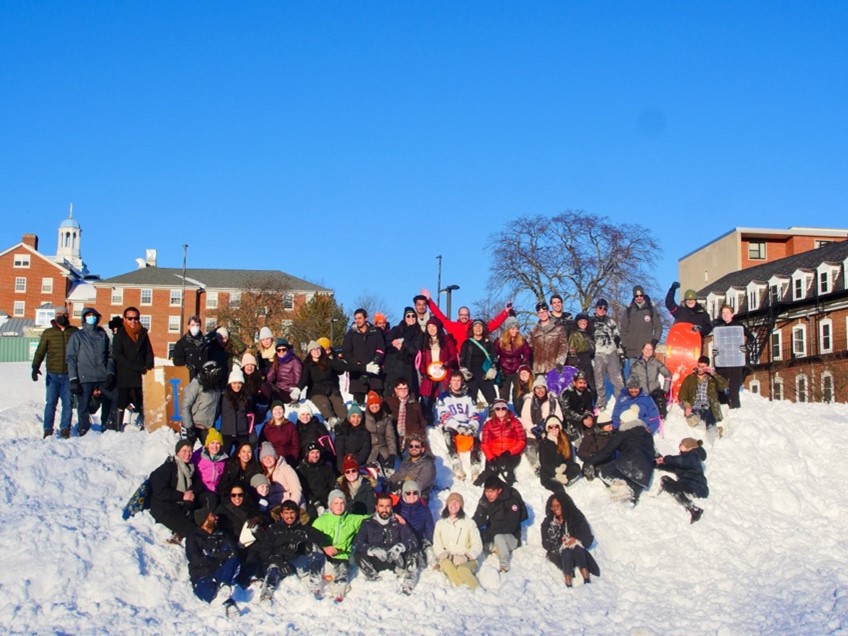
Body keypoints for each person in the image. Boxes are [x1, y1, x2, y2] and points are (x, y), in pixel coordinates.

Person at [257, 499, 333, 601]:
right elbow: (264, 549)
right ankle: (266, 596)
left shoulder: (303, 529)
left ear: (297, 513)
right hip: (279, 563)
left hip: (299, 563)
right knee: (272, 570)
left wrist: (324, 545)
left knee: (317, 555)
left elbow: (322, 537)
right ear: (281, 514)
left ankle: (314, 588)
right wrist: (276, 559)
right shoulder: (273, 529)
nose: (289, 516)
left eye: (292, 513)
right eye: (286, 513)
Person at [584, 407, 656, 504]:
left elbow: (607, 451)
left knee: (604, 472)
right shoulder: (647, 433)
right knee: (631, 499)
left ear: (626, 422)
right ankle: (629, 494)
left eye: (621, 421)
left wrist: (590, 461)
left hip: (628, 463)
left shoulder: (623, 434)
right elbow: (653, 452)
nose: (620, 423)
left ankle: (622, 486)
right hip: (646, 472)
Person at [353, 493, 420, 594]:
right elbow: (358, 542)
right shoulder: (367, 523)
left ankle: (409, 578)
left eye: (387, 506)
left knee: (414, 551)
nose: (384, 509)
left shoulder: (397, 522)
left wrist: (400, 547)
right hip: (377, 560)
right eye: (381, 506)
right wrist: (371, 550)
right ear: (376, 507)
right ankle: (373, 576)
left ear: (391, 507)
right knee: (357, 554)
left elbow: (413, 540)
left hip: (395, 560)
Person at [311, 489, 369, 601]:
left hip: (341, 556)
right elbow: (312, 537)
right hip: (323, 556)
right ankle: (314, 588)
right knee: (316, 562)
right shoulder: (321, 521)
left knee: (343, 571)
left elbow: (371, 518)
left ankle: (338, 590)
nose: (339, 506)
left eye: (342, 503)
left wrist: (394, 515)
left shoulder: (352, 519)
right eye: (336, 503)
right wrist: (324, 547)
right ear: (330, 505)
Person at [66, 307, 114, 435]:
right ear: (84, 318)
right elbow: (71, 358)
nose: (91, 317)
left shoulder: (102, 335)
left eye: (94, 315)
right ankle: (84, 427)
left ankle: (106, 424)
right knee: (83, 404)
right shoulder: (77, 336)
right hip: (84, 377)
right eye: (88, 315)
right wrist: (73, 378)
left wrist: (110, 372)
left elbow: (110, 356)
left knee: (110, 400)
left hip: (102, 376)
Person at [32, 305, 78, 439]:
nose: (61, 316)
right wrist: (35, 367)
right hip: (52, 374)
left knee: (67, 403)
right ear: (55, 316)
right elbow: (40, 351)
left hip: (69, 374)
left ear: (67, 316)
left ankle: (65, 429)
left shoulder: (74, 332)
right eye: (58, 313)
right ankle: (48, 429)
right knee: (51, 402)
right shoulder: (48, 332)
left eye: (63, 314)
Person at [185, 508, 240, 615]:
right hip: (202, 574)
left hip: (221, 572)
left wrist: (213, 556)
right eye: (212, 516)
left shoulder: (222, 535)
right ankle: (228, 604)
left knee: (234, 560)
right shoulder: (193, 537)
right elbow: (195, 559)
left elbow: (233, 552)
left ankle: (224, 586)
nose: (216, 517)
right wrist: (217, 559)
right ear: (204, 519)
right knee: (204, 591)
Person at [149, 439, 204, 544]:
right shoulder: (168, 467)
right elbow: (159, 490)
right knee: (192, 530)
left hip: (180, 505)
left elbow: (199, 483)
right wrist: (182, 495)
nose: (187, 454)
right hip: (164, 507)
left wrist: (190, 491)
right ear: (177, 452)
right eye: (184, 451)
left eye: (190, 451)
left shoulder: (190, 468)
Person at [541, 493, 600, 588]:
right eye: (553, 506)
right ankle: (568, 583)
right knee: (567, 552)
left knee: (577, 548)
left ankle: (586, 579)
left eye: (558, 505)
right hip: (559, 553)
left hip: (577, 550)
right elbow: (545, 543)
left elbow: (587, 536)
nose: (556, 508)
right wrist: (559, 540)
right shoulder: (548, 522)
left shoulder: (575, 517)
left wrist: (575, 540)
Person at [472, 475, 528, 573]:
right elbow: (479, 517)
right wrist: (470, 527)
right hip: (494, 530)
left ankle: (504, 565)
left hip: (511, 537)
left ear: (499, 490)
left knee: (498, 538)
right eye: (487, 491)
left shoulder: (511, 499)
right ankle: (492, 547)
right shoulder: (486, 498)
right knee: (476, 533)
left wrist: (491, 533)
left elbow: (512, 526)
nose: (489, 494)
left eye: (492, 491)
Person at [422, 289, 511, 350]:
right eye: (462, 314)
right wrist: (429, 301)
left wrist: (505, 312)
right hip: (458, 360)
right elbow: (439, 315)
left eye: (466, 315)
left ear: (469, 315)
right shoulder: (452, 326)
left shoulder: (475, 327)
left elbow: (493, 325)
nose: (464, 317)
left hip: (473, 361)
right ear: (458, 316)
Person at [215, 482, 266, 586]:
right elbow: (219, 530)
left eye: (240, 495)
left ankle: (258, 575)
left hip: (250, 542)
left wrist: (257, 518)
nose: (237, 498)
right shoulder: (222, 510)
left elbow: (263, 517)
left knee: (258, 548)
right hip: (233, 544)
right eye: (233, 495)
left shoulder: (249, 506)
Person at [111, 306, 154, 429]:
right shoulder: (120, 334)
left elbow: (148, 351)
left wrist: (149, 364)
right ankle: (117, 426)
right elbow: (118, 355)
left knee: (141, 401)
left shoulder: (143, 333)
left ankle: (146, 425)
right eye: (130, 318)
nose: (133, 321)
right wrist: (135, 366)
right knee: (122, 401)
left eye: (136, 318)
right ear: (125, 319)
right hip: (125, 374)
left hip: (140, 375)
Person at [435, 371, 483, 481]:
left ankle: (475, 467)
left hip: (467, 424)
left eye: (458, 380)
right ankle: (456, 462)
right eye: (454, 380)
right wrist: (457, 426)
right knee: (447, 434)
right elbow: (443, 416)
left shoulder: (469, 396)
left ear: (462, 382)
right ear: (450, 382)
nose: (456, 383)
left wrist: (472, 426)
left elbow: (475, 413)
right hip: (452, 425)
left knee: (476, 438)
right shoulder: (443, 397)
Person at [432, 492, 483, 589]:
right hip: (449, 559)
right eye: (451, 502)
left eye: (457, 502)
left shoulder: (469, 523)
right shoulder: (440, 524)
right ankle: (462, 587)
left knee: (462, 570)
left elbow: (477, 545)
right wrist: (444, 554)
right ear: (447, 505)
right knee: (446, 563)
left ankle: (476, 590)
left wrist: (466, 557)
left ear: (461, 505)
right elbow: (437, 545)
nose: (454, 505)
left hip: (467, 559)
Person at [712, 304, 754, 410]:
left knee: (734, 388)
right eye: (723, 313)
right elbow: (716, 343)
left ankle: (735, 409)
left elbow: (751, 338)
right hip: (722, 361)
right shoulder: (718, 327)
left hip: (735, 360)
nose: (725, 315)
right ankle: (722, 408)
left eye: (727, 313)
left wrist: (746, 346)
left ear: (732, 314)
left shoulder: (738, 326)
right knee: (720, 385)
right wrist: (715, 351)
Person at [656, 438, 708, 523]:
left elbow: (679, 461)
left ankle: (693, 509)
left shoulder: (693, 457)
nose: (680, 444)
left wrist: (666, 459)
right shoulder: (686, 458)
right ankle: (692, 507)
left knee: (667, 481)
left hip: (697, 487)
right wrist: (658, 464)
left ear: (690, 447)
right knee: (666, 481)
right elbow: (675, 466)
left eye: (682, 444)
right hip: (689, 485)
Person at [342, 308, 386, 404]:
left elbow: (381, 349)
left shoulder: (376, 332)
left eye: (360, 318)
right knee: (358, 405)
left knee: (377, 403)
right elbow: (346, 352)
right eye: (356, 318)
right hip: (357, 374)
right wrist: (357, 364)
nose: (357, 321)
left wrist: (374, 363)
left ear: (366, 318)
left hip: (375, 372)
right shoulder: (350, 334)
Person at [297, 340, 347, 425]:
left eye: (318, 349)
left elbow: (345, 366)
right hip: (316, 392)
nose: (316, 351)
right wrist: (298, 389)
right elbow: (304, 379)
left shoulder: (327, 361)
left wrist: (365, 368)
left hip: (331, 390)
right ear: (310, 352)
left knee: (339, 405)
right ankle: (333, 422)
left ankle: (346, 423)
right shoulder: (307, 365)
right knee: (324, 404)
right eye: (313, 350)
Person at [678, 355, 729, 439]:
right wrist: (687, 406)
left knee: (710, 427)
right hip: (695, 407)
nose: (700, 368)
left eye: (703, 366)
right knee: (693, 427)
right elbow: (682, 395)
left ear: (707, 367)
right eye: (699, 366)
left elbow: (724, 386)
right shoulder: (690, 378)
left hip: (709, 407)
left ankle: (714, 437)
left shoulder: (712, 378)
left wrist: (714, 374)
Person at [478, 398, 526, 486]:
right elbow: (484, 444)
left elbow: (521, 441)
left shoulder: (515, 422)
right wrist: (490, 457)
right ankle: (478, 484)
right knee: (491, 470)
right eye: (497, 408)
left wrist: (510, 451)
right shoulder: (488, 424)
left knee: (503, 463)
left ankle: (512, 483)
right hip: (494, 454)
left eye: (503, 408)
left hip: (510, 455)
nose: (500, 410)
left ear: (507, 409)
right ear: (494, 410)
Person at [417, 317, 457, 422]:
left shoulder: (446, 340)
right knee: (427, 396)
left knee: (445, 396)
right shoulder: (424, 341)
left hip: (444, 373)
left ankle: (448, 418)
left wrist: (447, 364)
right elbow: (422, 359)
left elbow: (453, 356)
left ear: (438, 327)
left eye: (433, 326)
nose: (431, 329)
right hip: (429, 373)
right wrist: (423, 372)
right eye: (429, 327)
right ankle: (427, 417)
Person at [519, 375, 563, 470]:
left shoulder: (552, 400)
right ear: (534, 389)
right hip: (533, 433)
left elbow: (559, 417)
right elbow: (525, 417)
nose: (540, 390)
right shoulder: (529, 400)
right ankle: (536, 467)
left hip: (550, 431)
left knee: (553, 447)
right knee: (529, 447)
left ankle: (555, 466)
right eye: (537, 388)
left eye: (542, 387)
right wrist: (532, 428)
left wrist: (548, 426)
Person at [620, 286, 663, 377]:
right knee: (633, 377)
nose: (639, 297)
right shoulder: (629, 309)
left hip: (646, 350)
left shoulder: (650, 309)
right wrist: (624, 344)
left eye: (641, 295)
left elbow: (658, 327)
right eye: (637, 296)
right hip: (632, 349)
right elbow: (623, 329)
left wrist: (654, 342)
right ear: (634, 296)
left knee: (646, 376)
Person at [589, 298, 624, 411]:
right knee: (599, 381)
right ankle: (601, 404)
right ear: (596, 308)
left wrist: (621, 354)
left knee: (617, 380)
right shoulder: (590, 321)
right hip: (598, 353)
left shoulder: (611, 322)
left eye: (605, 308)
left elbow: (617, 338)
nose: (602, 310)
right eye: (600, 308)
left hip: (611, 352)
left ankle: (621, 403)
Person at [180, 361, 223, 446]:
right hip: (193, 424)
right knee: (186, 449)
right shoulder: (196, 384)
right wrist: (188, 427)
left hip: (207, 426)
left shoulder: (216, 386)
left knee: (209, 449)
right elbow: (186, 406)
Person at [383, 307, 424, 397]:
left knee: (407, 394)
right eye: (408, 316)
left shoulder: (419, 333)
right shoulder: (396, 329)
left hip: (407, 367)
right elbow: (387, 342)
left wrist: (403, 343)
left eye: (413, 316)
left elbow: (414, 350)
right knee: (390, 394)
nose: (411, 318)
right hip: (392, 366)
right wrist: (395, 345)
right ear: (404, 317)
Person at [459, 319, 498, 407]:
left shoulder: (488, 344)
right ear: (472, 329)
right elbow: (462, 358)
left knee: (492, 398)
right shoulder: (467, 343)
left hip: (485, 374)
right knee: (469, 399)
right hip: (471, 374)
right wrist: (464, 370)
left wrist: (492, 369)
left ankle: (492, 415)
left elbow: (494, 358)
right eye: (475, 326)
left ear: (483, 329)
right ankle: (471, 414)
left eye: (480, 326)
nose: (478, 328)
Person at [394, 480, 434, 563]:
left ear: (418, 494)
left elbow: (429, 528)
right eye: (408, 493)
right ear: (404, 494)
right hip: (404, 541)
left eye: (415, 493)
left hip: (419, 538)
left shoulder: (424, 509)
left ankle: (432, 563)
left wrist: (430, 541)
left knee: (427, 552)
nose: (411, 495)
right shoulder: (397, 509)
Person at [629, 342, 672, 418]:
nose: (648, 351)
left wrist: (665, 390)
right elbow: (632, 382)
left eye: (650, 349)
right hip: (642, 393)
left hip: (655, 391)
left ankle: (660, 422)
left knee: (661, 408)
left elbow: (668, 374)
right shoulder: (635, 365)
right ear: (642, 350)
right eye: (646, 349)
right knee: (641, 413)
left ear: (653, 351)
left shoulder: (656, 362)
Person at [538, 416, 581, 494]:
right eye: (550, 427)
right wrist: (555, 472)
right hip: (550, 472)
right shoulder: (544, 443)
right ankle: (559, 480)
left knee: (576, 467)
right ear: (548, 429)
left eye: (556, 426)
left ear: (559, 427)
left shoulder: (565, 440)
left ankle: (565, 479)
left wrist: (564, 466)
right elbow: (544, 463)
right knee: (558, 488)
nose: (554, 429)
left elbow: (569, 459)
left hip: (563, 469)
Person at [494, 316, 532, 402]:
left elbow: (527, 352)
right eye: (513, 328)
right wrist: (496, 365)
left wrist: (523, 363)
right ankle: (503, 411)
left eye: (517, 328)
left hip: (517, 370)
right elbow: (494, 354)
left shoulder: (521, 340)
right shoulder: (500, 341)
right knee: (504, 395)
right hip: (504, 371)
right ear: (508, 329)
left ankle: (521, 409)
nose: (516, 331)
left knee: (519, 392)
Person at [257, 441, 303, 511]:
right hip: (274, 508)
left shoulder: (286, 469)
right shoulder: (263, 475)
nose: (267, 459)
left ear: (275, 457)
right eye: (264, 457)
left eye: (270, 456)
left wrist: (291, 507)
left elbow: (296, 490)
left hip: (292, 505)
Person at [296, 442, 337, 520]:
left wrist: (332, 501)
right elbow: (304, 491)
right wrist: (316, 503)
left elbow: (332, 485)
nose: (315, 455)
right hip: (311, 502)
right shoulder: (301, 470)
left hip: (327, 500)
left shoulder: (327, 468)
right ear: (307, 454)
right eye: (312, 452)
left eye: (317, 452)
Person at [385, 377, 427, 451]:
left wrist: (420, 435)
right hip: (395, 437)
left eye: (405, 388)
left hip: (411, 436)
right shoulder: (389, 402)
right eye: (400, 389)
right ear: (395, 390)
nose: (403, 391)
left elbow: (422, 421)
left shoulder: (414, 403)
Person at [220, 366, 255, 455]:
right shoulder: (224, 396)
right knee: (224, 455)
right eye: (234, 383)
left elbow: (250, 413)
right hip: (227, 432)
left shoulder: (246, 396)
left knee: (244, 456)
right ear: (230, 383)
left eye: (239, 383)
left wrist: (250, 430)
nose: (237, 386)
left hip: (242, 432)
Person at [192, 428, 229, 509]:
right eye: (212, 443)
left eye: (218, 443)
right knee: (211, 500)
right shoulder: (198, 456)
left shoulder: (223, 459)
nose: (215, 446)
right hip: (201, 489)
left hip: (215, 491)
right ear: (207, 445)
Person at [529, 302, 568, 376]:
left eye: (544, 312)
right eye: (540, 312)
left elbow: (563, 347)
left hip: (553, 368)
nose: (542, 314)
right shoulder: (533, 331)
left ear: (548, 312)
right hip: (538, 370)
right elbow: (529, 349)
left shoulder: (558, 328)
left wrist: (559, 362)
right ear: (537, 314)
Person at [364, 390, 397, 474]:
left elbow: (390, 437)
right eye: (371, 404)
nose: (374, 406)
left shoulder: (386, 418)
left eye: (376, 403)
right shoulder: (364, 418)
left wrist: (392, 454)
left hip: (383, 448)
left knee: (389, 470)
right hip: (369, 450)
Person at [260, 400, 300, 467]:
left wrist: (293, 461)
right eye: (275, 409)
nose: (278, 411)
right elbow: (262, 446)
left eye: (280, 409)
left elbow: (295, 446)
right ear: (272, 412)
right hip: (272, 462)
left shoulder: (290, 426)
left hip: (288, 460)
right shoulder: (266, 427)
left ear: (283, 411)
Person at [559, 371, 596, 441]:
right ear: (574, 383)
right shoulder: (566, 394)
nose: (583, 385)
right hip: (569, 424)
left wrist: (589, 417)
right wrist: (582, 419)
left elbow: (589, 407)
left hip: (584, 423)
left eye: (585, 383)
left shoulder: (588, 392)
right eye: (580, 383)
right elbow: (567, 412)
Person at [334, 404, 371, 472]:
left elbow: (365, 451)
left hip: (358, 464)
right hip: (344, 463)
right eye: (353, 416)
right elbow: (340, 450)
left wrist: (354, 463)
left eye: (358, 417)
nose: (356, 420)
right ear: (349, 417)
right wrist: (342, 467)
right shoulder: (343, 429)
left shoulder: (365, 432)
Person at [264, 337, 303, 404]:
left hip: (289, 392)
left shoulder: (294, 361)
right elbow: (269, 378)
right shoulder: (277, 361)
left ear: (288, 350)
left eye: (283, 349)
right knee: (264, 386)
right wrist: (274, 367)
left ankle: (276, 403)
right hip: (279, 389)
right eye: (279, 350)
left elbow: (297, 379)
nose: (281, 352)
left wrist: (293, 393)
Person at [172, 315, 209, 380]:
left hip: (203, 378)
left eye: (197, 325)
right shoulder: (182, 343)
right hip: (188, 377)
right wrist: (187, 366)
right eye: (193, 325)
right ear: (188, 326)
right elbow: (177, 360)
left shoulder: (206, 343)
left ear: (200, 326)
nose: (195, 327)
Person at [566, 313, 595, 392]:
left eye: (585, 322)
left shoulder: (588, 334)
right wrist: (573, 359)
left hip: (588, 359)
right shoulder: (574, 334)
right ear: (577, 323)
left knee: (590, 382)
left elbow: (592, 348)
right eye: (581, 322)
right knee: (580, 381)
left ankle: (591, 400)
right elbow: (571, 348)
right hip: (579, 359)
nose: (583, 324)